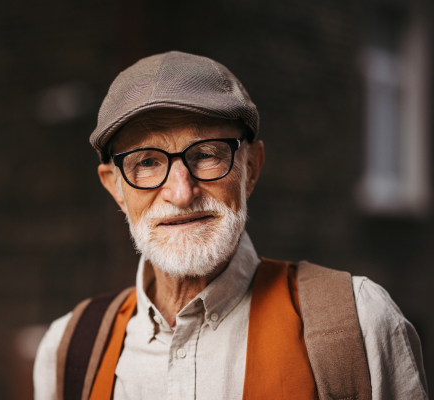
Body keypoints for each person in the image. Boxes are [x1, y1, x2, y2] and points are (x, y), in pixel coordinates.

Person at [34, 51, 428, 400]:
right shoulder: (67, 350)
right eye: (148, 162)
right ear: (116, 188)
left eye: (205, 154)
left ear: (251, 168)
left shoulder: (358, 323)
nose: (181, 192)